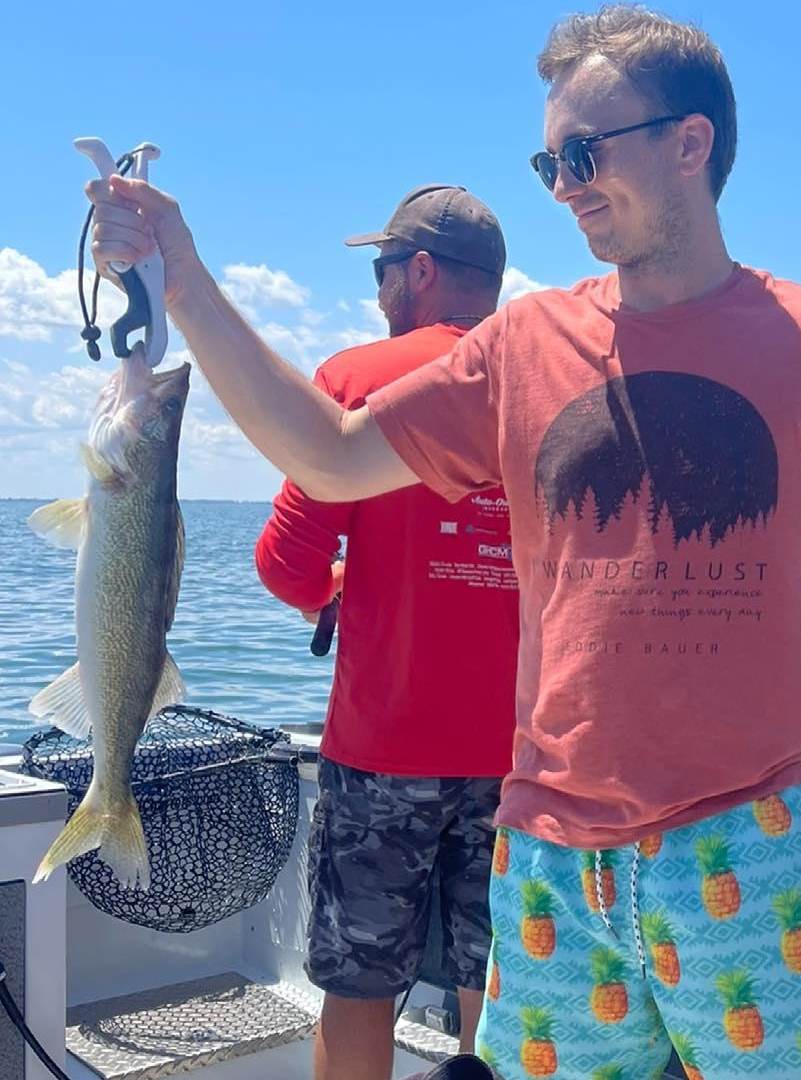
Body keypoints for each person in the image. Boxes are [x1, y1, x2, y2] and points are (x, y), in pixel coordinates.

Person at [85, 7, 801, 1077]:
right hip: (549, 856)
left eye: (584, 154)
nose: (563, 187)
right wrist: (181, 276)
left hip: (749, 839)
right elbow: (329, 455)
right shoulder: (523, 343)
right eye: (549, 163)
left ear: (690, 143)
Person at [252, 185, 520, 1080]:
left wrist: (334, 588)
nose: (376, 293)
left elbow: (286, 563)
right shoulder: (549, 381)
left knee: (360, 985)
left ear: (422, 271)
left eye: (382, 271)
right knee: (506, 982)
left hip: (384, 754)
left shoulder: (359, 380)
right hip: (524, 758)